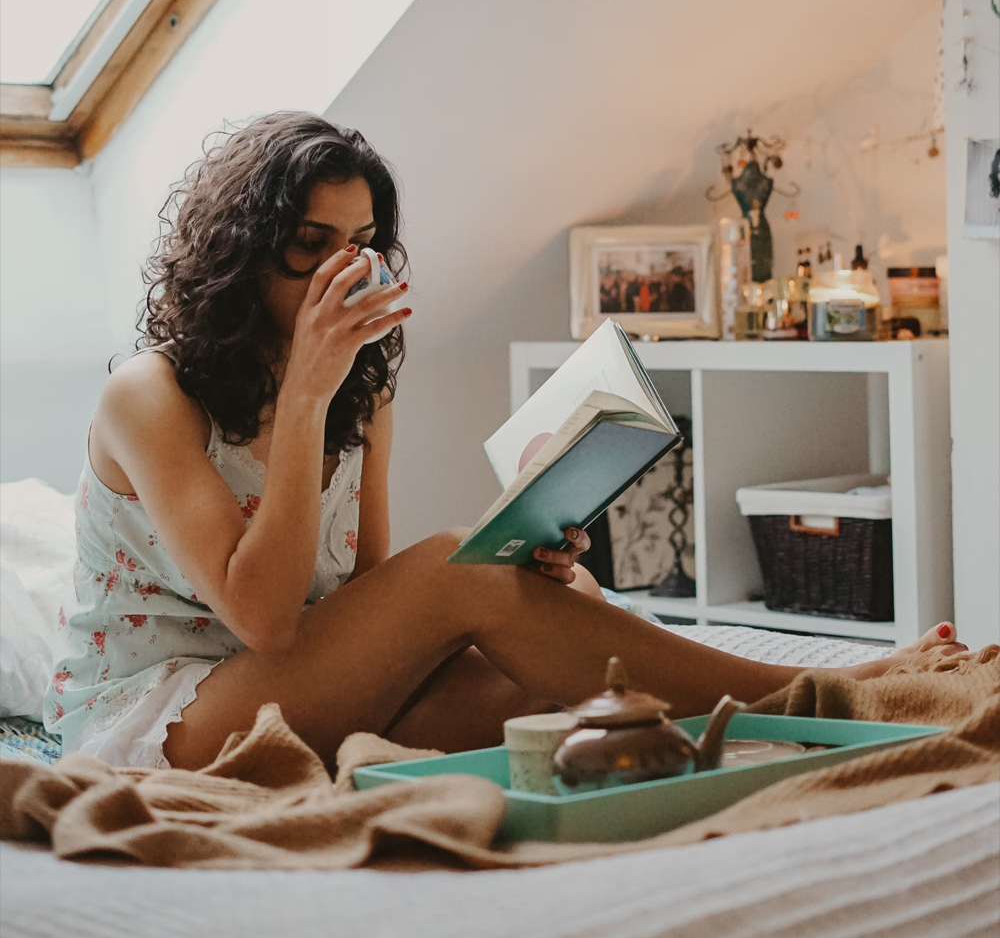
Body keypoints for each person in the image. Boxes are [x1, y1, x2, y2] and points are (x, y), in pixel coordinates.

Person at [43, 112, 966, 774]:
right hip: (168, 714)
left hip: (288, 687)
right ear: (241, 251)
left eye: (361, 243)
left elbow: (357, 605)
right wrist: (304, 399)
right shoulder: (151, 396)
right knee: (459, 566)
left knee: (552, 658)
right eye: (310, 241)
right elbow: (267, 620)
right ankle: (812, 695)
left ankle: (763, 712)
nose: (343, 269)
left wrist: (524, 561)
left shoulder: (362, 388)